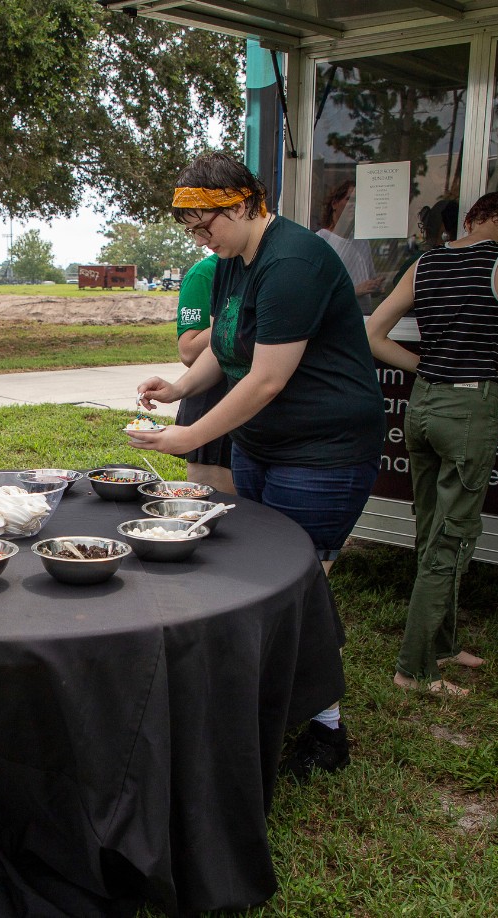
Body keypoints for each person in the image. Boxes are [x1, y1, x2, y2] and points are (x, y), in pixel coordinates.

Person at [134, 152, 385, 776]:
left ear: (246, 204)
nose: (200, 239)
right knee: (255, 574)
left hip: (324, 450)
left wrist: (184, 437)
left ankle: (326, 731)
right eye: (190, 231)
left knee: (301, 588)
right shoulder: (230, 261)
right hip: (263, 445)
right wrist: (180, 387)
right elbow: (227, 346)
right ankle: (256, 705)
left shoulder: (292, 261)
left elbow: (268, 378)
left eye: (206, 224)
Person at [366, 191, 498, 697]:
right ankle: (415, 668)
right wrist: (486, 381)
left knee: (431, 530)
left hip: (421, 408)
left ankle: (443, 643)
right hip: (468, 408)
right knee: (453, 537)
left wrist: (426, 370)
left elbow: (374, 334)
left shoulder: (427, 264)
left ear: (469, 221)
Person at [172, 254, 233, 493]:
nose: (200, 239)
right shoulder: (205, 272)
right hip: (211, 397)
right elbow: (188, 351)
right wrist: (237, 318)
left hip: (256, 409)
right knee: (217, 509)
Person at [317, 180, 383, 313]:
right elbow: (317, 291)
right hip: (338, 318)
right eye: (349, 199)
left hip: (365, 316)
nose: (354, 205)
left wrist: (375, 287)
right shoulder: (321, 240)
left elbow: (368, 280)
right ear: (335, 204)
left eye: (357, 201)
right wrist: (356, 290)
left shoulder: (362, 241)